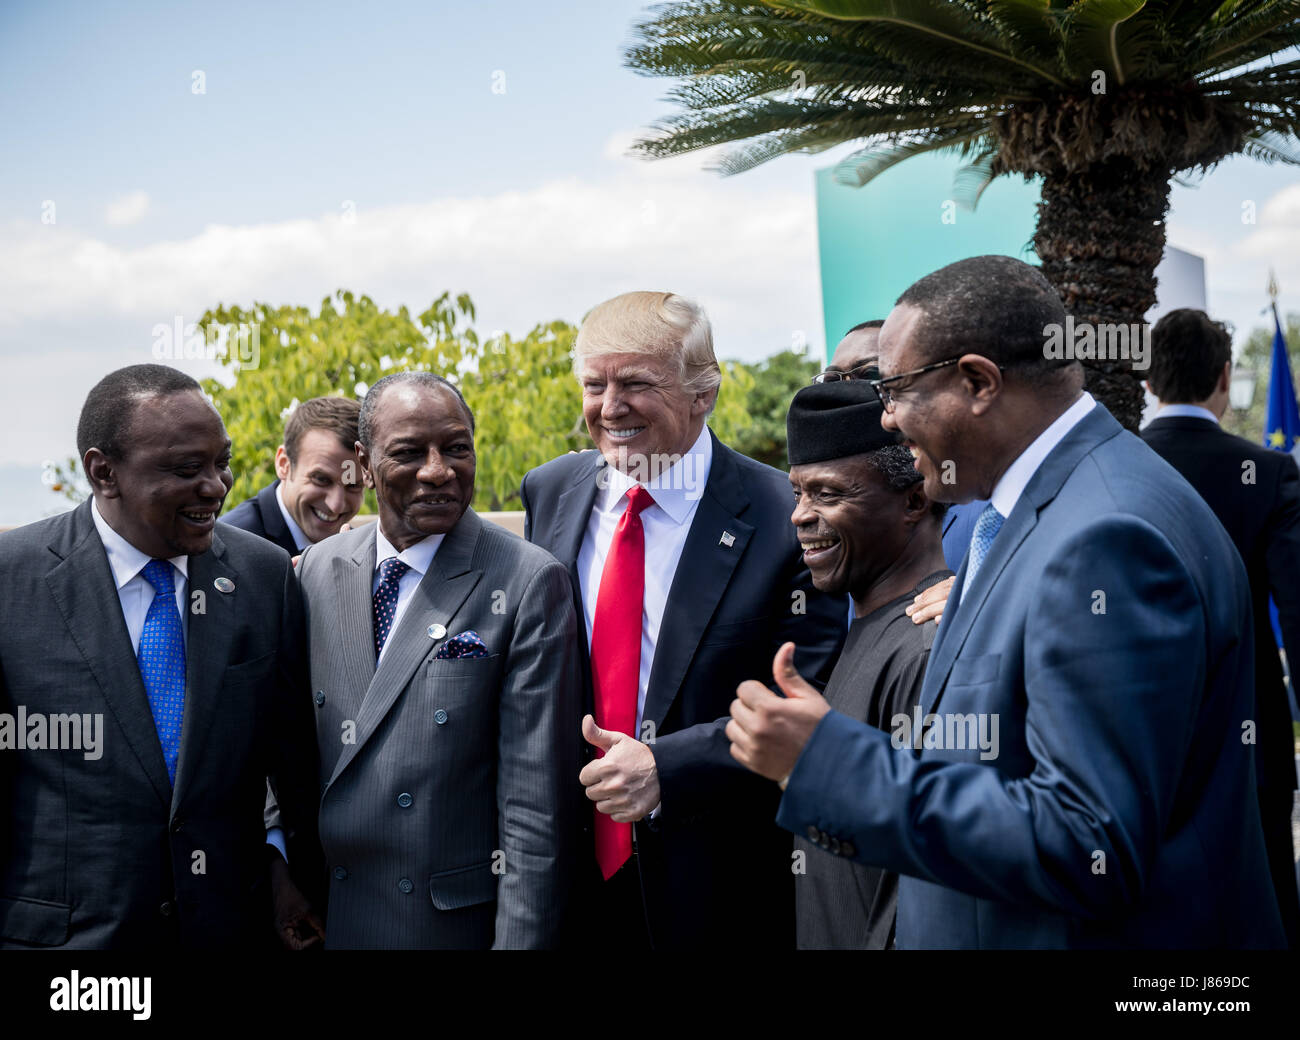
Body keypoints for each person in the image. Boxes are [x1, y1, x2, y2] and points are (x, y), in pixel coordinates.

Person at [726, 256, 1285, 949]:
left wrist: (829, 765)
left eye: (896, 389)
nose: (888, 419)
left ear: (977, 382)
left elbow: (1085, 843)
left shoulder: (1106, 538)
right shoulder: (1045, 513)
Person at [520, 290, 845, 950]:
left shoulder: (784, 515)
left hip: (717, 881)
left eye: (636, 383)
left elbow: (806, 694)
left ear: (705, 392)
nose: (610, 408)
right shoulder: (550, 489)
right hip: (569, 879)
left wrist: (665, 767)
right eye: (594, 384)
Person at [0, 364, 324, 949]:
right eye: (186, 468)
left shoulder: (261, 577)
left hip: (228, 931)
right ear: (104, 472)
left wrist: (282, 865)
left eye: (220, 462)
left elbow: (295, 767)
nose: (216, 486)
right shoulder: (11, 580)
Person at [296, 371, 581, 948]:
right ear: (364, 463)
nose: (438, 470)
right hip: (330, 917)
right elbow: (280, 741)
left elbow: (534, 811)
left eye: (456, 448)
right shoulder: (315, 572)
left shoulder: (527, 581)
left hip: (448, 926)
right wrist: (279, 864)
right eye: (408, 452)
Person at [1142, 307, 1300, 947]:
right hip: (1252, 743)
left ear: (1149, 381)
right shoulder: (1269, 473)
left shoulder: (1111, 467)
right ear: (1225, 378)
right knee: (1267, 918)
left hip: (1143, 749)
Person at [784, 379, 952, 948]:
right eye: (798, 493)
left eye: (828, 494)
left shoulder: (926, 650)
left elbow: (922, 887)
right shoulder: (864, 625)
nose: (800, 517)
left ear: (913, 500)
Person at [815, 318, 975, 620]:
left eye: (871, 374)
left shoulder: (988, 504)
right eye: (833, 381)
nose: (847, 393)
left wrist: (984, 603)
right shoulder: (846, 524)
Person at [222, 395, 364, 553]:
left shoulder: (359, 547)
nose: (336, 506)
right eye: (321, 479)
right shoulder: (229, 548)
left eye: (353, 485)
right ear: (284, 464)